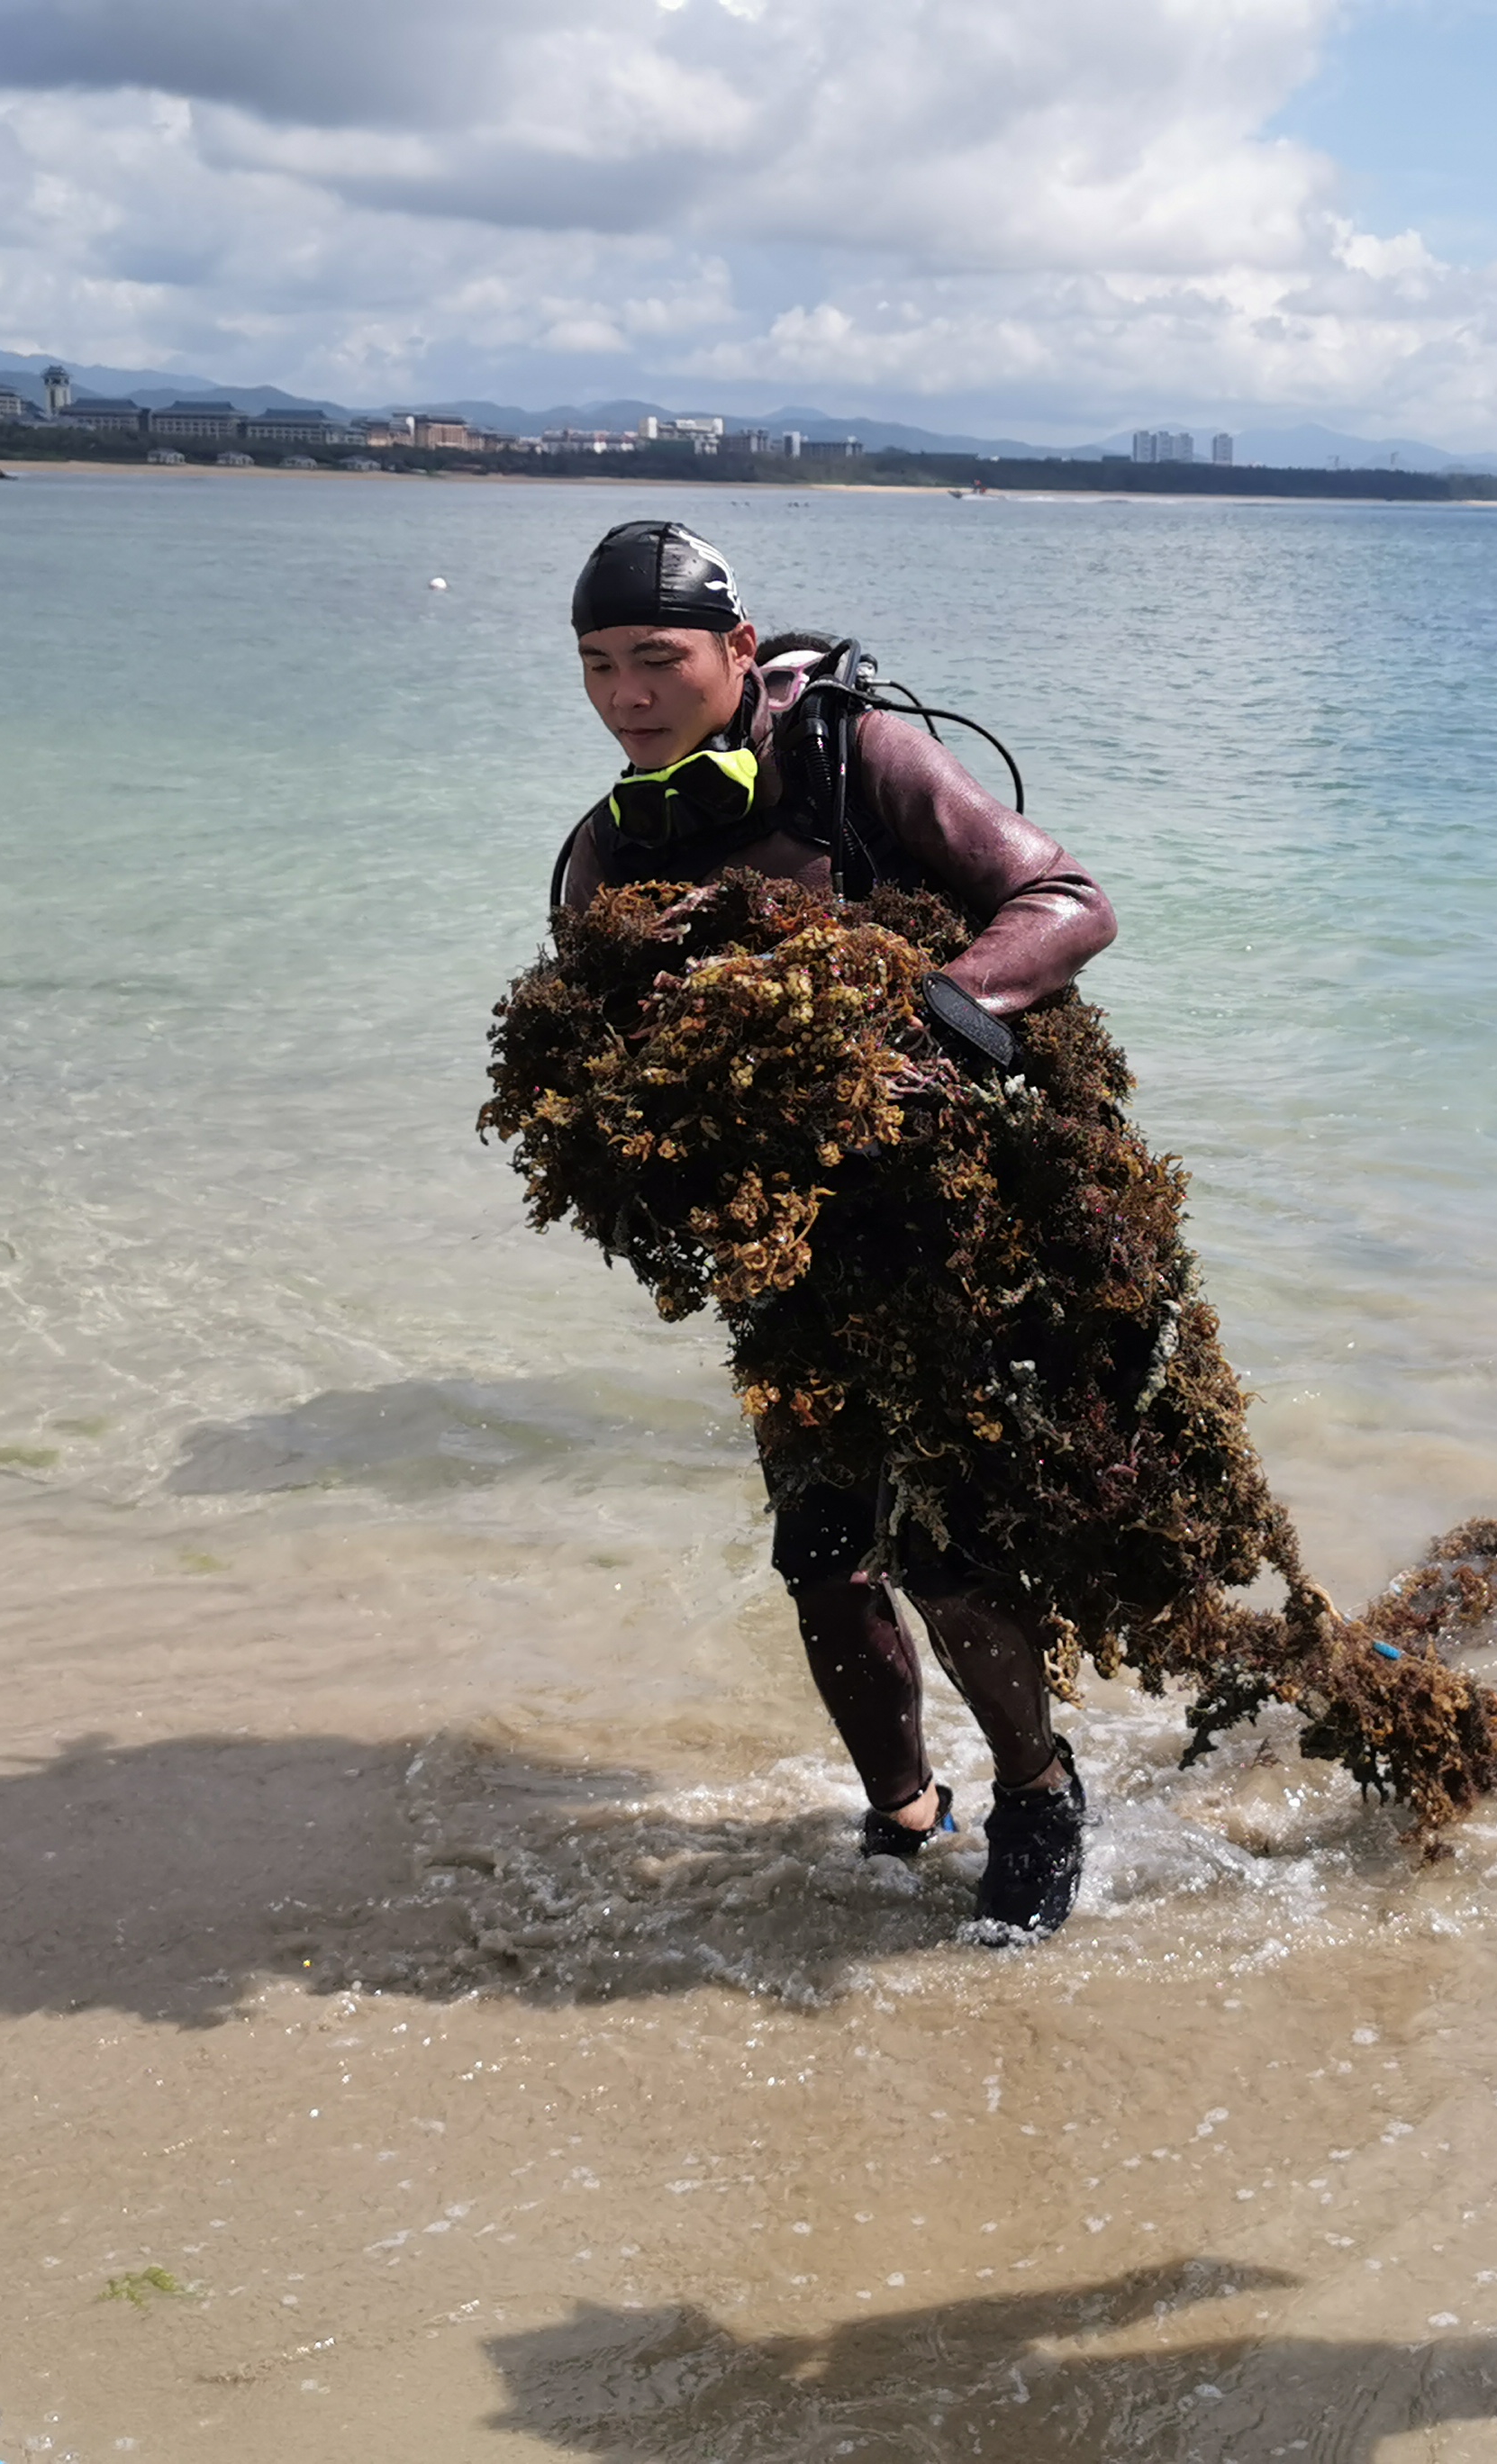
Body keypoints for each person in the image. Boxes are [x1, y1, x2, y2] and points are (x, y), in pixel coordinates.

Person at [548, 518, 1115, 1939]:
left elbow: (1064, 897)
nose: (629, 697)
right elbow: (586, 1055)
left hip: (947, 1227)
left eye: (658, 660)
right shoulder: (607, 852)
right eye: (599, 667)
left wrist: (947, 1010)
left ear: (738, 649)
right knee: (821, 1545)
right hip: (786, 1254)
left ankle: (1039, 1791)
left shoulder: (857, 760)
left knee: (950, 1543)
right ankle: (906, 1809)